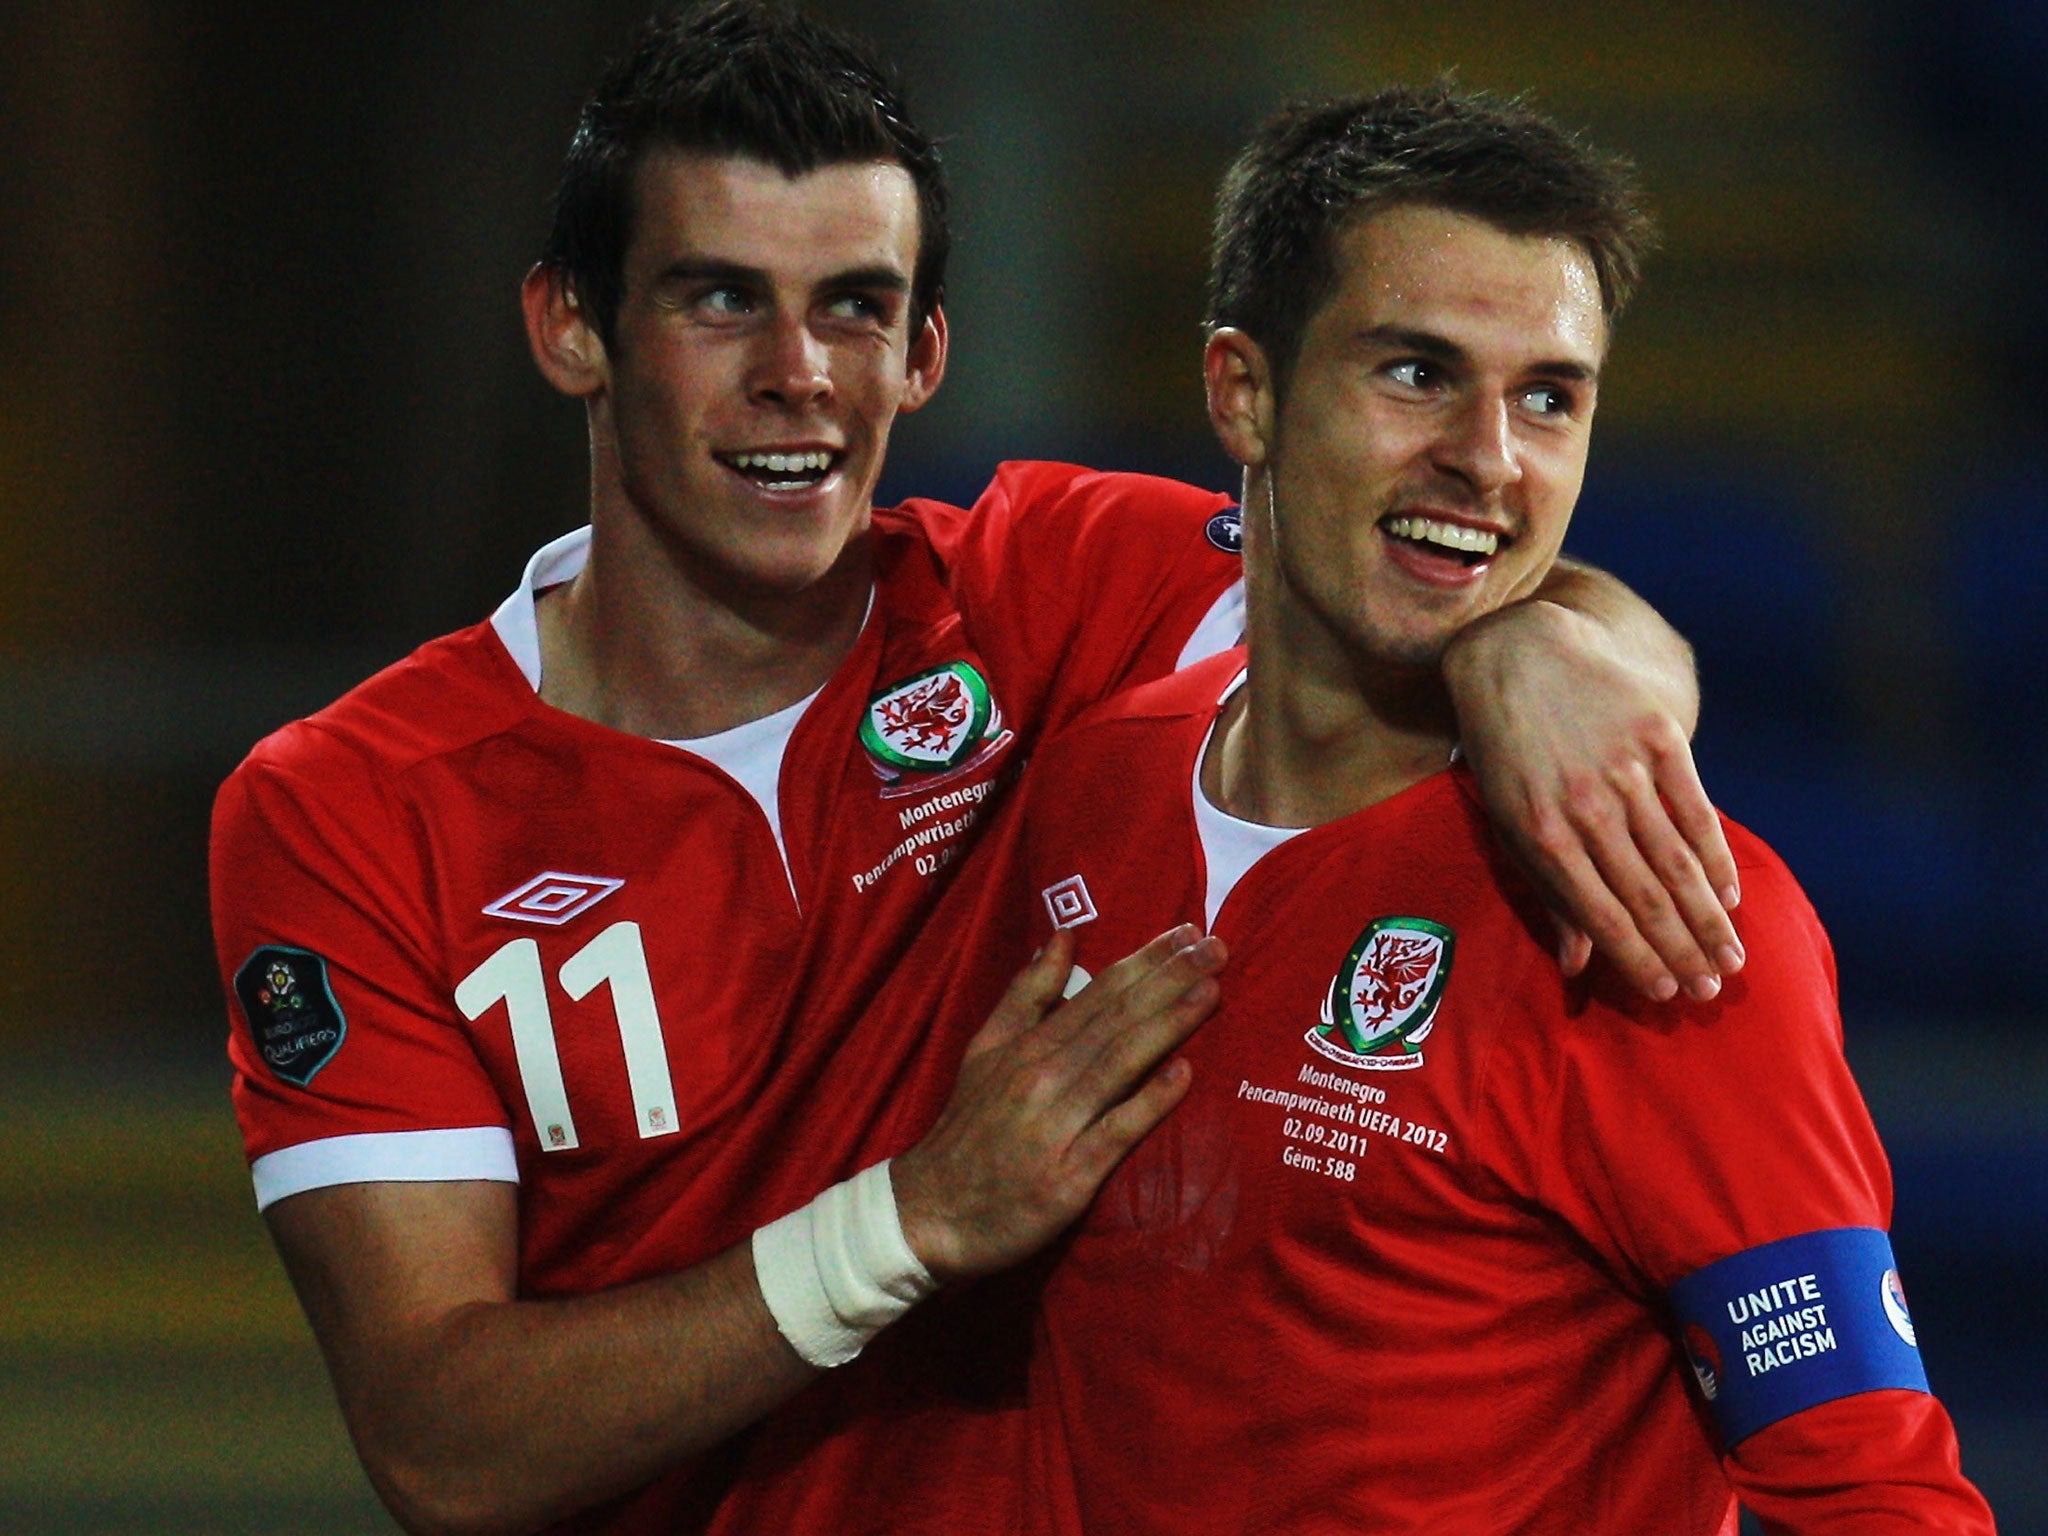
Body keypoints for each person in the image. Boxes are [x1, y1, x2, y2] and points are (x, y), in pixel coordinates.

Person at [208, 8, 1742, 1534]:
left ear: (926, 352)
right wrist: (914, 1221)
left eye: (857, 306)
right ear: (572, 328)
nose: (799, 372)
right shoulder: (349, 807)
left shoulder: (1049, 591)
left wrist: (1540, 652)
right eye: (720, 299)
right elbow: (442, 1449)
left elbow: (1444, 560)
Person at [982, 84, 1994, 1532]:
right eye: (1415, 373)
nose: (1490, 459)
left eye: (1549, 398)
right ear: (1241, 390)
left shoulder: (1658, 910)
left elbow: (1880, 1499)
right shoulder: (1080, 788)